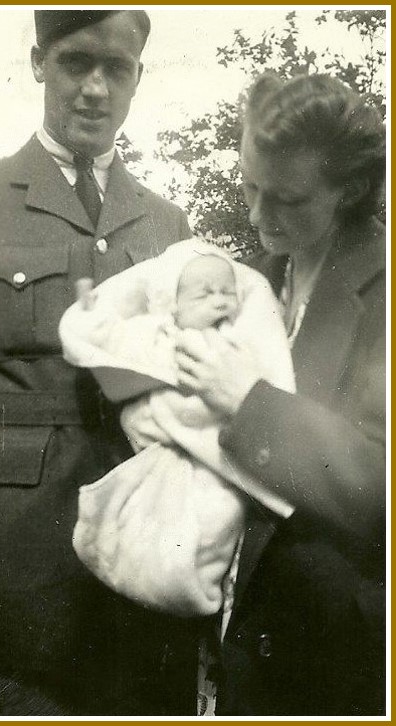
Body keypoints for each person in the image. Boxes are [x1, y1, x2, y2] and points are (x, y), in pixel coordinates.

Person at [0, 9, 192, 716]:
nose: (97, 89)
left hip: (143, 561)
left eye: (118, 69)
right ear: (39, 61)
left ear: (139, 78)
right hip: (16, 577)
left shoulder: (167, 224)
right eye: (78, 63)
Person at [175, 73, 386, 716]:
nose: (260, 216)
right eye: (248, 185)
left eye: (289, 199)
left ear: (349, 188)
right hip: (245, 649)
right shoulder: (252, 284)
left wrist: (252, 403)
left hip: (344, 664)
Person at [58, 240, 294, 621]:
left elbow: (261, 379)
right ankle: (156, 576)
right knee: (142, 522)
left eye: (226, 292)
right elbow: (113, 341)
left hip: (218, 459)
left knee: (220, 516)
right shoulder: (160, 333)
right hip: (165, 451)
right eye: (204, 294)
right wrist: (91, 314)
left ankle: (195, 586)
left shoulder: (236, 339)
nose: (219, 300)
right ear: (175, 304)